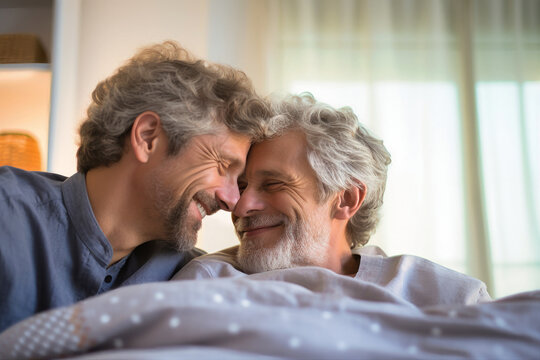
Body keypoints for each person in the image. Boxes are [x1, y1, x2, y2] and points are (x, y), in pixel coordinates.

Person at [0, 41, 270, 332]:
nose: (232, 201)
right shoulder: (8, 216)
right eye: (222, 166)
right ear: (147, 137)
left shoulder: (190, 274)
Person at [174, 93, 491, 306]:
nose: (241, 207)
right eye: (242, 187)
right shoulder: (205, 282)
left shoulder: (445, 297)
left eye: (273, 184)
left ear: (347, 199)